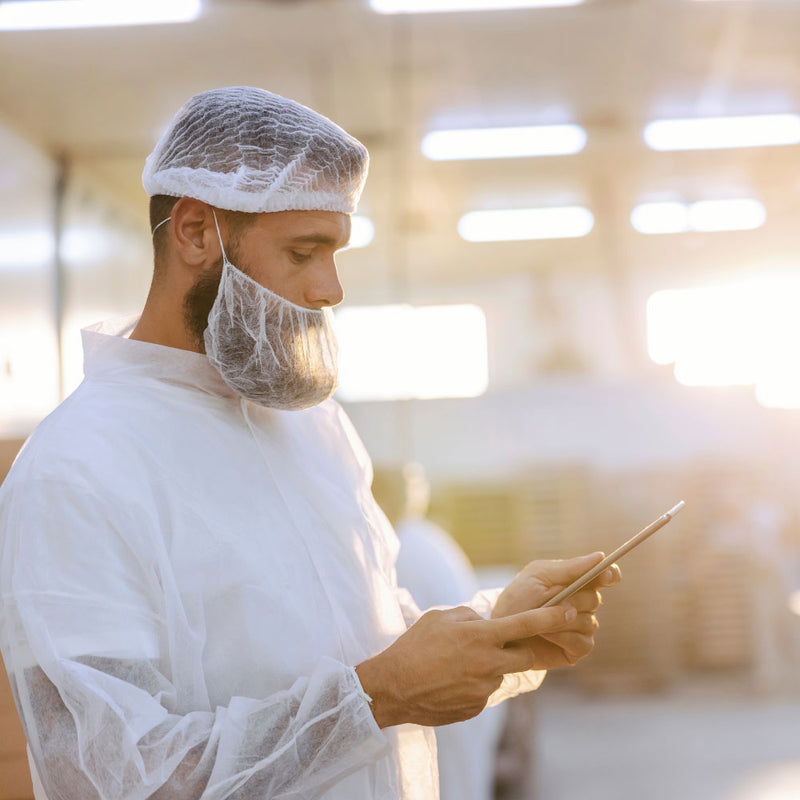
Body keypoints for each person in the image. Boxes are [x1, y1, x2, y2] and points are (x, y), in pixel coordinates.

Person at [0, 86, 620, 800]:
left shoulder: (313, 429)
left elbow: (371, 638)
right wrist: (376, 698)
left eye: (335, 252)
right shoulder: (78, 471)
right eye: (304, 251)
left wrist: (495, 627)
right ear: (196, 233)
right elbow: (111, 780)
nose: (331, 289)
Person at [371, 463, 508, 800]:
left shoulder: (397, 549)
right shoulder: (427, 536)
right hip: (467, 695)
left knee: (449, 784)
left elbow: (389, 640)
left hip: (443, 702)